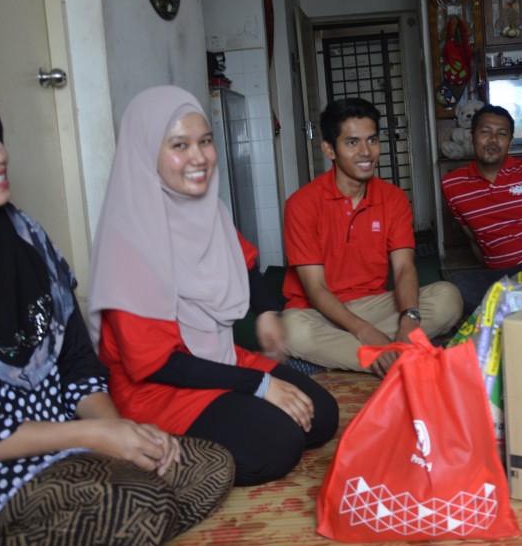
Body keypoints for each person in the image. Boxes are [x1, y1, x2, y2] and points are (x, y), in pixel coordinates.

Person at [0, 82, 234, 546]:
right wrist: (91, 439)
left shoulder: (24, 237)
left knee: (208, 466)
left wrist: (114, 429)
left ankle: (76, 539)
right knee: (133, 502)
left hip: (62, 449)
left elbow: (75, 362)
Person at [88, 86, 338, 487]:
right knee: (277, 445)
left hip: (218, 356)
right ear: (145, 152)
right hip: (157, 388)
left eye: (204, 141)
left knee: (321, 414)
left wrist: (268, 313)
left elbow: (246, 262)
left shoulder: (210, 211)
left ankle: (242, 412)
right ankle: (156, 451)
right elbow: (157, 363)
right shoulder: (129, 241)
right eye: (179, 145)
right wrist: (259, 385)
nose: (198, 157)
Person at [282, 98, 463, 377]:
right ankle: (401, 356)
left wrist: (409, 319)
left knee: (448, 298)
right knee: (292, 330)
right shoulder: (302, 204)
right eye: (352, 143)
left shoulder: (392, 199)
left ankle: (373, 356)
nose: (366, 152)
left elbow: (403, 268)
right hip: (319, 313)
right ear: (329, 149)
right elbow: (316, 289)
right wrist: (363, 331)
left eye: (372, 140)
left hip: (374, 306)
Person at [441, 104, 522, 314]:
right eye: (485, 131)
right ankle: (520, 303)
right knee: (453, 288)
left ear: (510, 142)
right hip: (501, 277)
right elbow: (474, 239)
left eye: (502, 134)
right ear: (472, 137)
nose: (492, 140)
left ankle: (516, 305)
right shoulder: (452, 184)